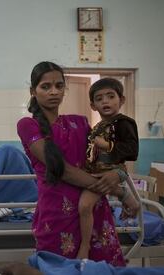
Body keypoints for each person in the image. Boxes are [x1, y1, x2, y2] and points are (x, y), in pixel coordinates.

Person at [17, 61, 136, 266]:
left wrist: (119, 174)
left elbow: (106, 158)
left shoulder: (80, 123)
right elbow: (62, 170)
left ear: (65, 89)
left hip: (93, 210)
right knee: (57, 269)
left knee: (102, 270)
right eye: (45, 86)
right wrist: (121, 192)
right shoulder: (28, 125)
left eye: (59, 86)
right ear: (33, 91)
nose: (53, 92)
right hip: (56, 215)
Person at [77, 78, 140, 259]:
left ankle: (84, 248)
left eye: (111, 96)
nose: (105, 101)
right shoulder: (97, 127)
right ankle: (126, 196)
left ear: (122, 100)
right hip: (97, 171)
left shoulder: (124, 123)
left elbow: (132, 150)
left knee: (84, 206)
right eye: (99, 98)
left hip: (115, 170)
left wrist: (106, 145)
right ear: (93, 105)